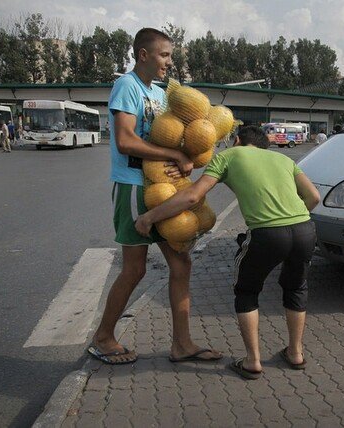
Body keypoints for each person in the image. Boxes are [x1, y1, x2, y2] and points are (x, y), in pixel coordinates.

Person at [135, 125, 321, 380]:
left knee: (246, 291)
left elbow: (192, 197)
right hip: (304, 230)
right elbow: (313, 197)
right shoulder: (283, 158)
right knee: (296, 288)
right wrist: (293, 217)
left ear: (237, 140)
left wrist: (150, 217)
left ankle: (252, 361)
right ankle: (296, 354)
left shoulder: (228, 156)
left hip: (267, 234)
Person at [88, 27, 222, 365]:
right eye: (164, 55)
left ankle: (182, 344)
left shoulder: (161, 95)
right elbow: (126, 141)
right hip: (134, 186)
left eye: (170, 56)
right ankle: (103, 336)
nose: (169, 62)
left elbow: (170, 140)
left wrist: (187, 156)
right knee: (134, 270)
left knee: (181, 263)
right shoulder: (127, 86)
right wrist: (173, 156)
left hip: (161, 186)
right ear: (144, 54)